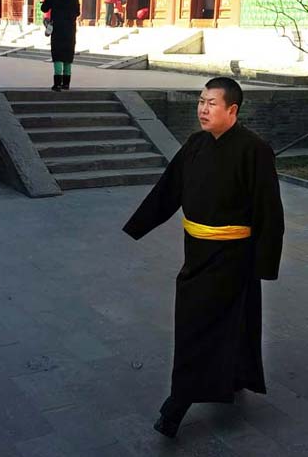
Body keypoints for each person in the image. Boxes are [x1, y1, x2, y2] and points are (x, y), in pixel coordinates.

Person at [121, 77, 284, 438]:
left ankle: (177, 403)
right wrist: (138, 225)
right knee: (231, 322)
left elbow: (269, 212)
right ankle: (236, 374)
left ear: (233, 110)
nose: (203, 109)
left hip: (232, 258)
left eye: (212, 103)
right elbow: (169, 189)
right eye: (201, 101)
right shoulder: (195, 144)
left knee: (197, 327)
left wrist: (263, 264)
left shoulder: (254, 150)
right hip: (196, 253)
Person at [40, 0, 80, 91]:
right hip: (70, 29)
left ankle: (57, 84)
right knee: (68, 55)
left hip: (57, 28)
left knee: (57, 55)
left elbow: (44, 8)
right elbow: (77, 12)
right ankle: (66, 84)